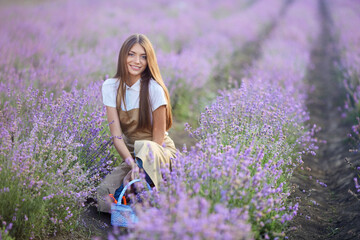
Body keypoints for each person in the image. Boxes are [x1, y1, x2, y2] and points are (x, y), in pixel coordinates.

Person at [97, 34, 177, 213]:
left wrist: (141, 169)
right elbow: (117, 137)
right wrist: (132, 166)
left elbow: (157, 142)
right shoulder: (110, 86)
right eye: (131, 54)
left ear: (149, 61)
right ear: (123, 56)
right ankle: (132, 204)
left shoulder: (154, 89)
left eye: (143, 56)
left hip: (158, 155)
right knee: (102, 193)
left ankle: (143, 199)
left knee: (145, 155)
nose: (137, 61)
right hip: (133, 156)